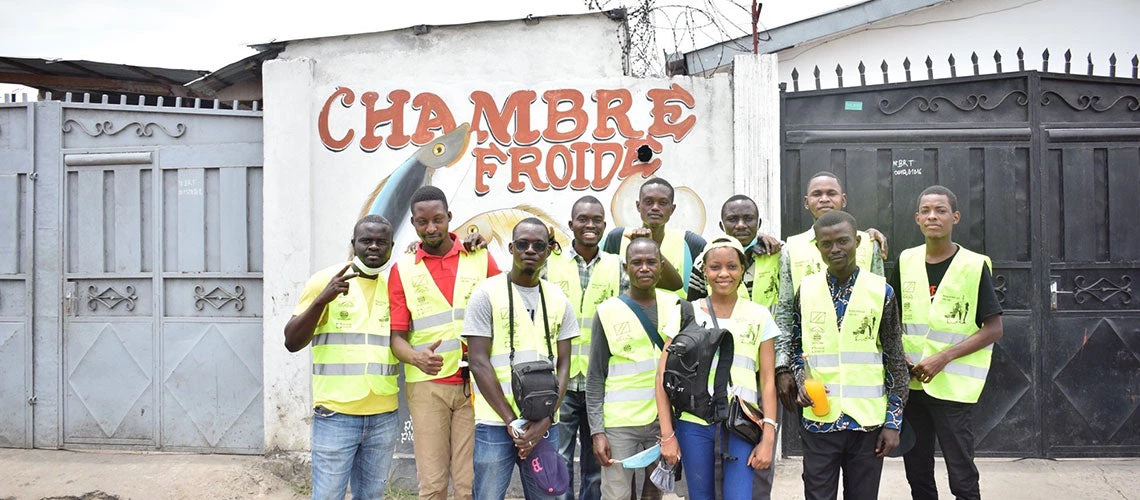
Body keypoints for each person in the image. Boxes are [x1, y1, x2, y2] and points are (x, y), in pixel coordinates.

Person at [388, 186, 500, 500]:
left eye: (438, 219)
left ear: (450, 218)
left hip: (475, 385)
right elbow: (396, 338)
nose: (431, 228)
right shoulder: (403, 270)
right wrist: (414, 357)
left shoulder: (479, 257)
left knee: (468, 485)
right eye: (423, 222)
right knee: (432, 485)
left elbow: (505, 305)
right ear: (413, 223)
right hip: (427, 387)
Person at [788, 210, 908, 500]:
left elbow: (895, 361)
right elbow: (796, 348)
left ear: (857, 242)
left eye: (843, 241)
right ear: (817, 247)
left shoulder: (883, 292)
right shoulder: (806, 291)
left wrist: (893, 422)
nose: (835, 250)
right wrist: (800, 380)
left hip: (867, 422)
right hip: (819, 419)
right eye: (826, 244)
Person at [894, 186, 1003, 500]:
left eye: (940, 210)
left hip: (953, 388)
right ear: (917, 219)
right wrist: (900, 355)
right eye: (926, 211)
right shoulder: (906, 261)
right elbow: (893, 317)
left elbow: (993, 328)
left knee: (961, 472)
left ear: (954, 217)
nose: (932, 216)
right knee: (917, 469)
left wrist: (942, 358)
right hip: (913, 386)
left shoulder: (972, 265)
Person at [284, 214, 400, 500]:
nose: (373, 247)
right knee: (327, 495)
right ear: (353, 244)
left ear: (391, 246)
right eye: (366, 240)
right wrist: (322, 299)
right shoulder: (325, 280)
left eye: (381, 242)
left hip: (382, 414)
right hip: (336, 413)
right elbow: (292, 341)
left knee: (372, 495)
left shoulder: (395, 284)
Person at [464, 218, 579, 500]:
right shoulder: (485, 294)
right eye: (523, 244)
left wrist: (546, 420)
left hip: (544, 423)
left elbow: (564, 364)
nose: (530, 250)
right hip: (495, 422)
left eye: (539, 245)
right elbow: (478, 361)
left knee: (546, 495)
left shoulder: (558, 298)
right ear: (511, 248)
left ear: (549, 250)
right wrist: (512, 421)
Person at [656, 236, 780, 500]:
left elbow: (768, 381)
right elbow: (662, 376)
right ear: (704, 271)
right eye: (715, 267)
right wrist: (667, 435)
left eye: (732, 266)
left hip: (741, 423)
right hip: (693, 423)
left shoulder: (760, 316)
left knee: (740, 496)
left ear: (742, 269)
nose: (724, 274)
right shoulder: (685, 313)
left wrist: (768, 435)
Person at [587, 237, 693, 500]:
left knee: (655, 491)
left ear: (661, 266)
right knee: (616, 494)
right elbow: (595, 377)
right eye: (636, 262)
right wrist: (597, 431)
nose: (644, 268)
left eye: (650, 262)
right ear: (626, 268)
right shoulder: (607, 311)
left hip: (664, 421)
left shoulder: (678, 307)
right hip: (620, 424)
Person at [776, 171, 888, 411]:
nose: (824, 199)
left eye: (831, 193)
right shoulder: (791, 248)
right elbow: (785, 311)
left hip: (860, 366)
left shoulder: (868, 244)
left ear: (843, 199)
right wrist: (782, 366)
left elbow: (883, 310)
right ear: (806, 202)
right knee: (818, 428)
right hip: (809, 362)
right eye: (817, 194)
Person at [544, 196, 628, 500]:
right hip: (560, 382)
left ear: (605, 226)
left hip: (600, 383)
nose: (589, 225)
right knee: (560, 460)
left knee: (597, 463)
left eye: (596, 220)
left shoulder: (618, 267)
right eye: (582, 219)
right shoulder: (550, 266)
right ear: (571, 225)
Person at [601, 178, 705, 298]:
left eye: (663, 203)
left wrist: (649, 244)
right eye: (649, 202)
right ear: (638, 206)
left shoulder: (690, 243)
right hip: (625, 314)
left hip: (674, 315)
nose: (655, 207)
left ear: (672, 209)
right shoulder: (617, 238)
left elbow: (687, 289)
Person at [687, 195, 782, 308]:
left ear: (759, 223)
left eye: (748, 218)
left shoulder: (778, 254)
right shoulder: (703, 261)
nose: (741, 225)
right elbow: (695, 309)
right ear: (722, 226)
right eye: (732, 219)